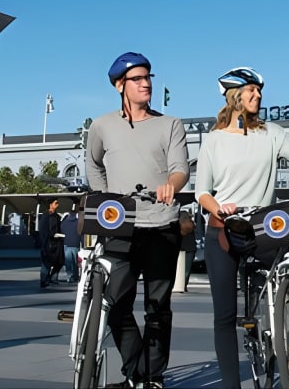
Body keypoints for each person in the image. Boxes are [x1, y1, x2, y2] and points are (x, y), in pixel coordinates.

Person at [194, 67, 289, 389]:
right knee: (224, 316)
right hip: (224, 229)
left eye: (259, 90)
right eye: (251, 90)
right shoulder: (213, 140)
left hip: (262, 228)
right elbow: (202, 191)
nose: (258, 95)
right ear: (234, 96)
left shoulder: (271, 133)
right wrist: (218, 208)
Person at [86, 52, 190, 389]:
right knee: (116, 305)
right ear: (120, 85)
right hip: (121, 228)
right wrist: (106, 200)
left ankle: (153, 378)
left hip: (162, 225)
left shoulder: (170, 124)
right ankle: (136, 374)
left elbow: (180, 168)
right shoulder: (101, 126)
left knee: (157, 308)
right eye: (137, 79)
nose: (146, 84)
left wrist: (171, 185)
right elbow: (93, 165)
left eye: (148, 78)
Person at [38, 197, 63, 288]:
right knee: (46, 262)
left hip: (57, 243)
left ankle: (52, 278)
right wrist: (50, 236)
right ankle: (44, 280)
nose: (57, 205)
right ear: (50, 204)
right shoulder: (45, 216)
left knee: (60, 261)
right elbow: (43, 230)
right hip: (48, 243)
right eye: (55, 203)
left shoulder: (57, 216)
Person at [61, 210, 81, 283]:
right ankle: (75, 276)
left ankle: (69, 276)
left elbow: (62, 230)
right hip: (76, 244)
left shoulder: (64, 222)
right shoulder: (78, 222)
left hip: (66, 244)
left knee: (68, 262)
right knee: (76, 262)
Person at [179, 211, 197, 291]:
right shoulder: (191, 225)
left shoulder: (177, 224)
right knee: (187, 270)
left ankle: (177, 285)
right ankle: (184, 285)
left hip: (180, 247)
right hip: (190, 248)